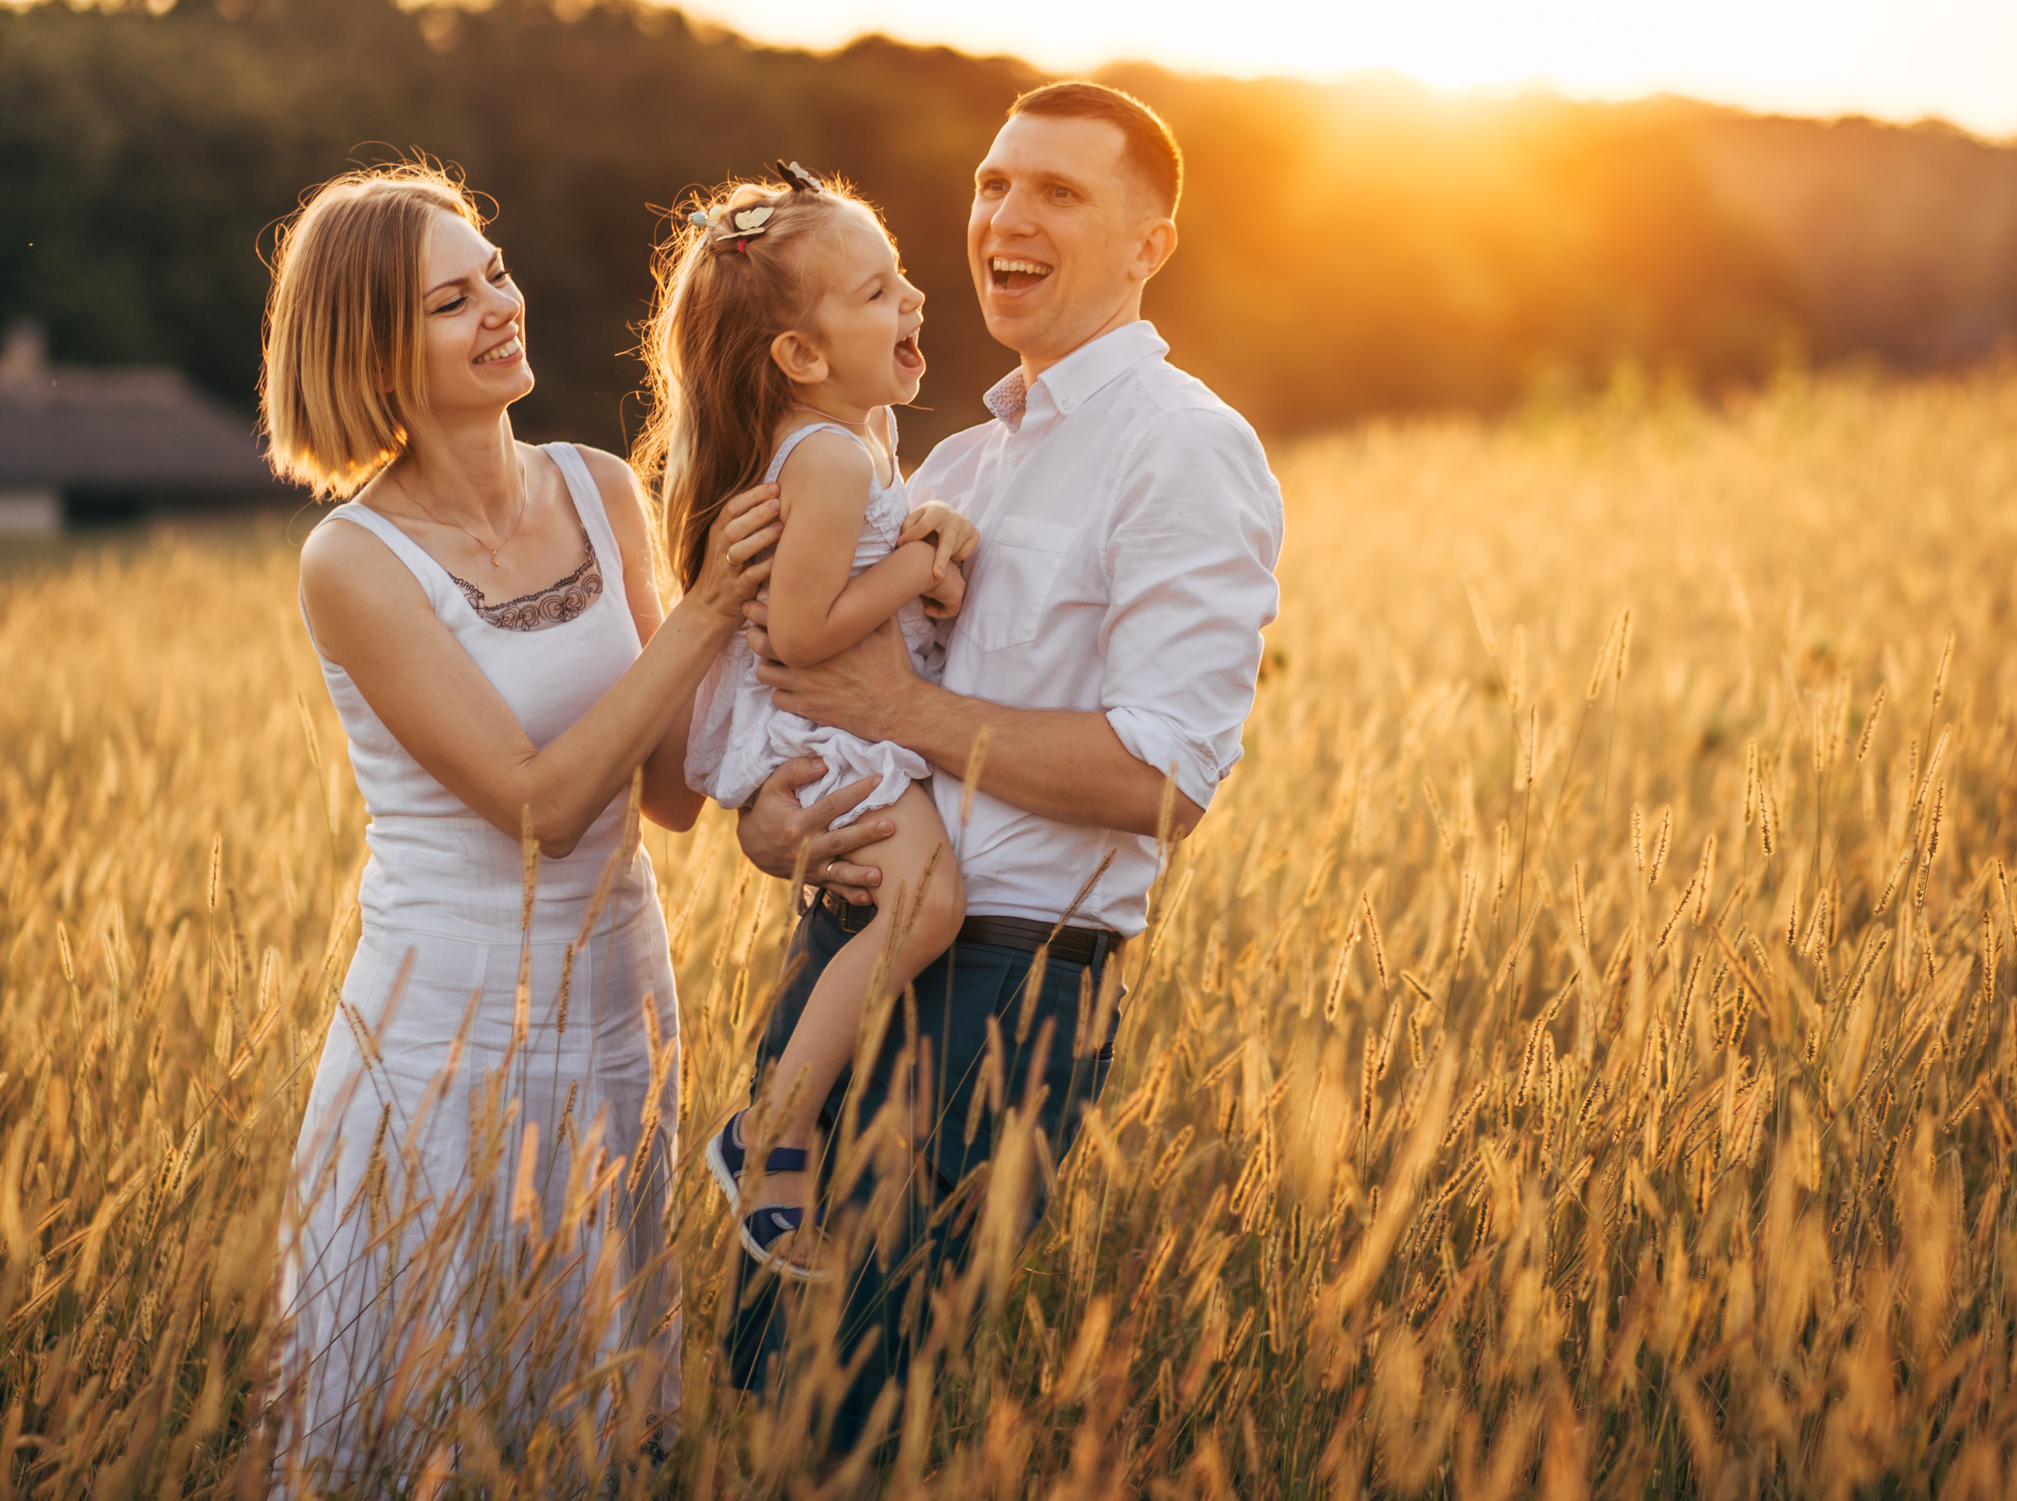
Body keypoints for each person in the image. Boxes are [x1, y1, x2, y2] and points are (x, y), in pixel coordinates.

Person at [725, 82, 1286, 1454]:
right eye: (991, 185)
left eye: (1059, 192)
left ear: (1150, 242)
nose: (1006, 218)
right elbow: (818, 704)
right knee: (758, 1393)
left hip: (1002, 994)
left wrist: (900, 706)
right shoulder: (949, 457)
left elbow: (1164, 781)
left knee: (857, 1413)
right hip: (842, 960)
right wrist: (777, 816)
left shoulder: (1184, 447)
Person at [260, 164, 782, 1483]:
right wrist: (710, 608)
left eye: (491, 269)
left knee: (595, 1404)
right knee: (431, 1400)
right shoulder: (354, 562)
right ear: (376, 351)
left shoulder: (601, 488)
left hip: (619, 1008)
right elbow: (542, 803)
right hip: (444, 1038)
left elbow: (665, 792)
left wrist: (821, 734)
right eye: (451, 299)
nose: (500, 304)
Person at [631, 164, 980, 1279]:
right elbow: (803, 624)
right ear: (800, 356)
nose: (911, 303)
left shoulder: (851, 439)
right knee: (924, 912)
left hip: (841, 725)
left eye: (902, 281)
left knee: (915, 913)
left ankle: (779, 1129)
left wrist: (916, 547)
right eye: (877, 294)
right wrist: (922, 563)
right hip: (827, 730)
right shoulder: (827, 453)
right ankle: (769, 1135)